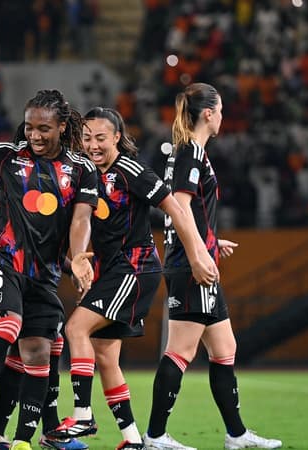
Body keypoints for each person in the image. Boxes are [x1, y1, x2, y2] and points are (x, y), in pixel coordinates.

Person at [48, 108, 217, 450]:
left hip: (135, 269)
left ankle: (82, 415)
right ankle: (133, 440)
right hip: (112, 272)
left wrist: (198, 254)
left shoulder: (131, 170)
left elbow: (177, 210)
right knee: (106, 356)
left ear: (116, 138)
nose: (93, 145)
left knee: (76, 329)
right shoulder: (85, 174)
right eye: (86, 138)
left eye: (100, 138)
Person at [0, 87, 97, 450]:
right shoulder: (6, 156)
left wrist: (76, 256)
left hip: (44, 276)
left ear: (61, 127)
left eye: (44, 128)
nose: (35, 135)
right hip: (4, 260)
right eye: (29, 127)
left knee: (39, 353)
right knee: (8, 324)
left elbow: (81, 220)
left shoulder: (81, 170)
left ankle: (22, 440)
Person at [142, 83, 281, 450]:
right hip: (190, 267)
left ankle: (236, 435)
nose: (222, 117)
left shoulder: (191, 151)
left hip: (196, 259)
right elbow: (180, 209)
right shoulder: (191, 152)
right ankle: (155, 436)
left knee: (224, 348)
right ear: (208, 113)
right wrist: (198, 255)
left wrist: (211, 242)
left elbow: (187, 214)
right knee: (181, 351)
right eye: (219, 110)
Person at [0, 125, 88, 450]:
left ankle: (30, 431)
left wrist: (73, 267)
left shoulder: (65, 176)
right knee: (23, 346)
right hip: (7, 269)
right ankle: (6, 432)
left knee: (41, 348)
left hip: (39, 277)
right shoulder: (7, 169)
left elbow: (47, 240)